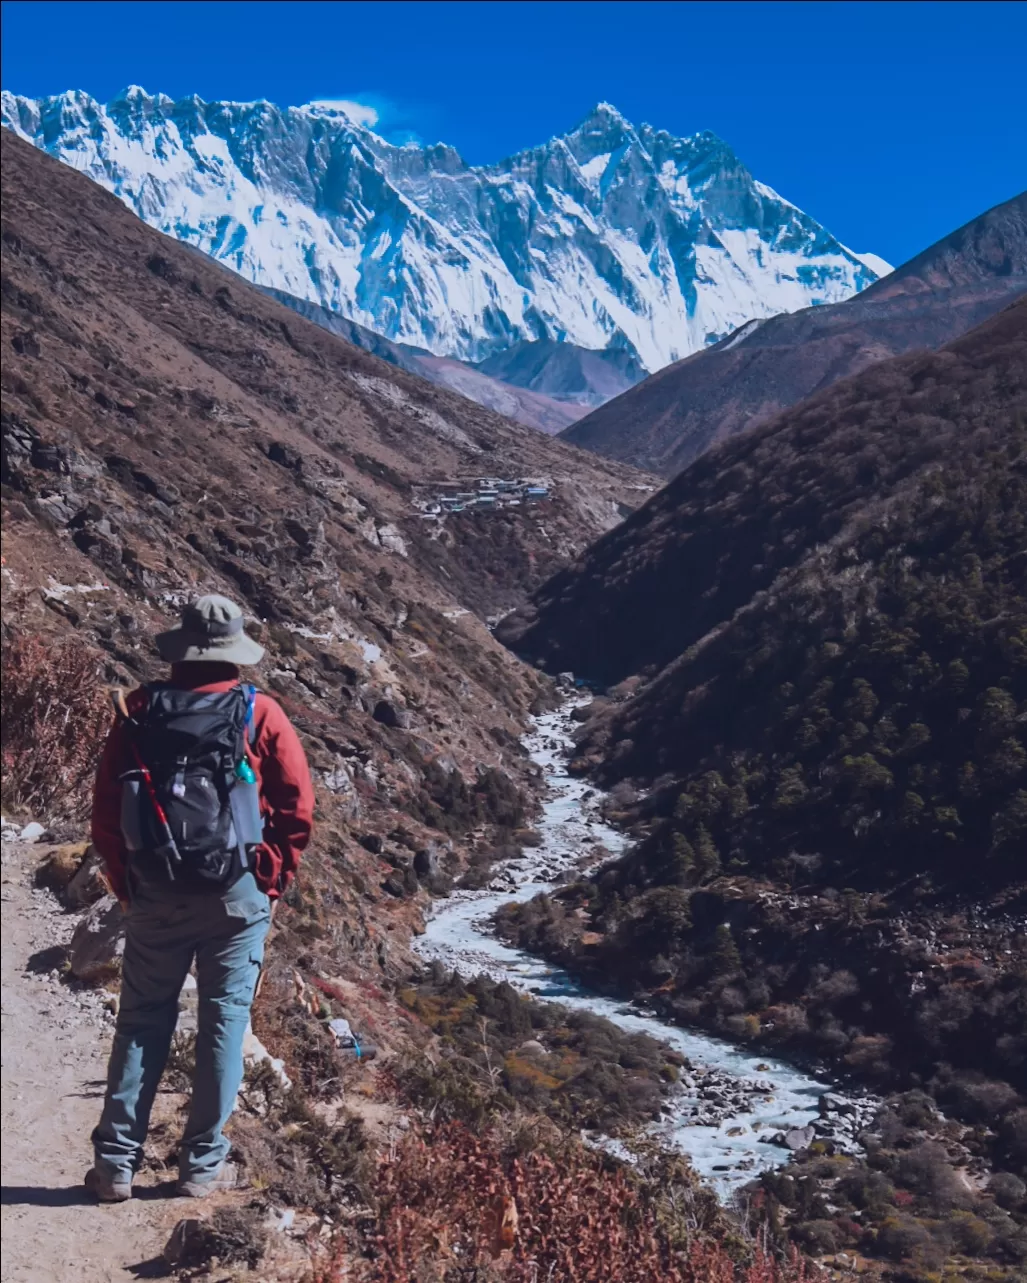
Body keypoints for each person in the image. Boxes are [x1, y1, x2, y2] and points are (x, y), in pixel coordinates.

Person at [85, 594, 314, 1201]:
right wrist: (271, 878)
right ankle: (201, 1166)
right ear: (236, 648)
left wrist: (124, 881)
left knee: (141, 1020)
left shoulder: (139, 709)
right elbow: (296, 809)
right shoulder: (258, 712)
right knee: (223, 1023)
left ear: (180, 646)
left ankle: (115, 1165)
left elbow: (107, 811)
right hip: (236, 893)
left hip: (155, 887)